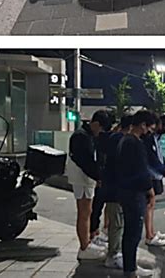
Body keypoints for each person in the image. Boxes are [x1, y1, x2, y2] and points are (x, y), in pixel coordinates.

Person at [116, 110, 157, 277]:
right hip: (134, 193)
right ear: (142, 125)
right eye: (149, 128)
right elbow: (141, 170)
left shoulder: (124, 140)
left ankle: (130, 267)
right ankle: (130, 269)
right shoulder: (135, 143)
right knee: (133, 232)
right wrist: (150, 190)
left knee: (130, 232)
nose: (150, 132)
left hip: (125, 191)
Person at [66, 110, 111, 260]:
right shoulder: (81, 137)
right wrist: (98, 176)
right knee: (84, 212)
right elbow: (85, 161)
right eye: (101, 129)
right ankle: (84, 246)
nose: (100, 133)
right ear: (96, 124)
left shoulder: (86, 135)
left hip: (85, 177)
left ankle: (87, 243)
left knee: (87, 210)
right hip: (82, 178)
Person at [102, 114, 133, 270]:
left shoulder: (114, 138)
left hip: (112, 187)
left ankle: (114, 253)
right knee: (117, 223)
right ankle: (113, 255)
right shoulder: (120, 140)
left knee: (116, 222)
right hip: (116, 189)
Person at [142, 114, 165, 247]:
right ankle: (149, 235)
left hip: (156, 175)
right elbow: (152, 158)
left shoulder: (156, 138)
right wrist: (162, 170)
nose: (164, 130)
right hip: (151, 176)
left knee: (151, 205)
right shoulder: (148, 139)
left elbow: (159, 156)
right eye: (164, 127)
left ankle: (152, 233)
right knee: (149, 205)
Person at [89, 111, 114, 248]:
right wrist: (97, 176)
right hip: (94, 179)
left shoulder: (97, 138)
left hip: (99, 177)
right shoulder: (88, 137)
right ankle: (91, 235)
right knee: (93, 208)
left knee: (97, 207)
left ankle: (95, 233)